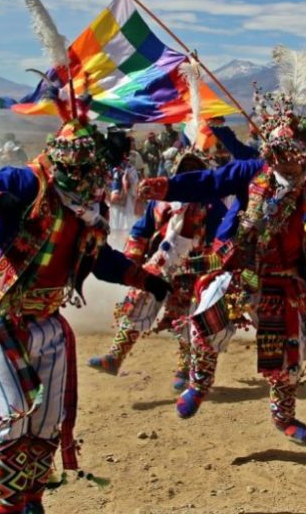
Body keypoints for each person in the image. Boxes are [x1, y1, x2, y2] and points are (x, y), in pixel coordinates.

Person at [0, 116, 172, 513]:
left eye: (86, 169)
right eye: (71, 167)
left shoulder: (86, 206)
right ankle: (9, 506)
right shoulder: (26, 181)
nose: (78, 175)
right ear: (57, 158)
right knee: (12, 413)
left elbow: (99, 258)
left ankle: (32, 498)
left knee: (46, 420)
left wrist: (146, 280)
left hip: (49, 321)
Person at [138, 107, 306, 445]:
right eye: (279, 155)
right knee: (206, 321)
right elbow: (210, 182)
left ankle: (283, 417)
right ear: (270, 152)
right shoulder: (251, 171)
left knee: (285, 351)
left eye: (293, 158)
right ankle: (199, 384)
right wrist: (166, 187)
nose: (286, 163)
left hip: (282, 277)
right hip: (237, 266)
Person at [87, 152, 225, 388]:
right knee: (139, 301)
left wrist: (211, 268)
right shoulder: (160, 203)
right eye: (184, 173)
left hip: (193, 269)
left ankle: (184, 370)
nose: (188, 178)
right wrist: (132, 260)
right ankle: (115, 356)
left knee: (187, 316)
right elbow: (140, 231)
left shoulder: (213, 205)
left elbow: (221, 238)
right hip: (160, 263)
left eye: (194, 174)